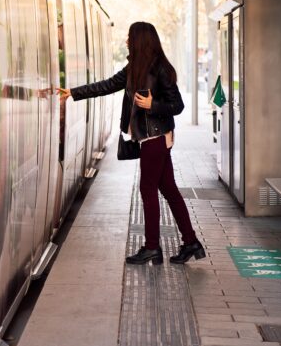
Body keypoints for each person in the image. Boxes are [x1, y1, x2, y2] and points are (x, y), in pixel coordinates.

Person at [58, 21, 205, 265]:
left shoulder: (161, 69)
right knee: (168, 189)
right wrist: (73, 92)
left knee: (148, 190)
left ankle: (152, 248)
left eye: (130, 37)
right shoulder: (133, 68)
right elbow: (106, 85)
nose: (126, 40)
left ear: (140, 40)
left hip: (155, 138)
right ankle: (190, 242)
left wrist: (152, 106)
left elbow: (177, 105)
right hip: (149, 138)